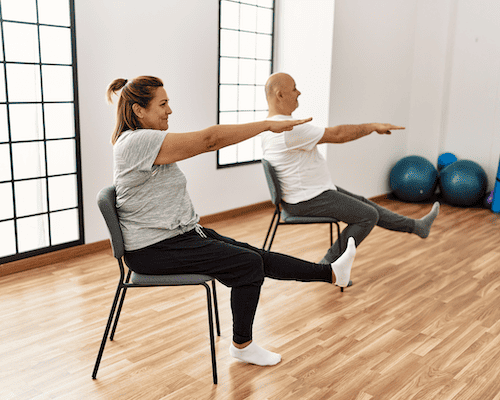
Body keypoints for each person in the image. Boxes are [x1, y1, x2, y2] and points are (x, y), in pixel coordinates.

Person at [107, 76, 357, 367]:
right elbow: (209, 140)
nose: (169, 110)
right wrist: (267, 125)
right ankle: (242, 345)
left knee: (256, 256)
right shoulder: (136, 142)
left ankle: (332, 273)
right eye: (162, 104)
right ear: (139, 110)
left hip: (178, 236)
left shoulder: (146, 140)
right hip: (153, 249)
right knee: (247, 265)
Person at [261, 72, 440, 264]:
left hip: (309, 193)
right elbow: (338, 135)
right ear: (280, 94)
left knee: (365, 205)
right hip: (307, 199)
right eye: (294, 88)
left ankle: (417, 226)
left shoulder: (271, 127)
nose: (299, 93)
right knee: (367, 216)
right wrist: (373, 126)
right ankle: (326, 268)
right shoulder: (288, 129)